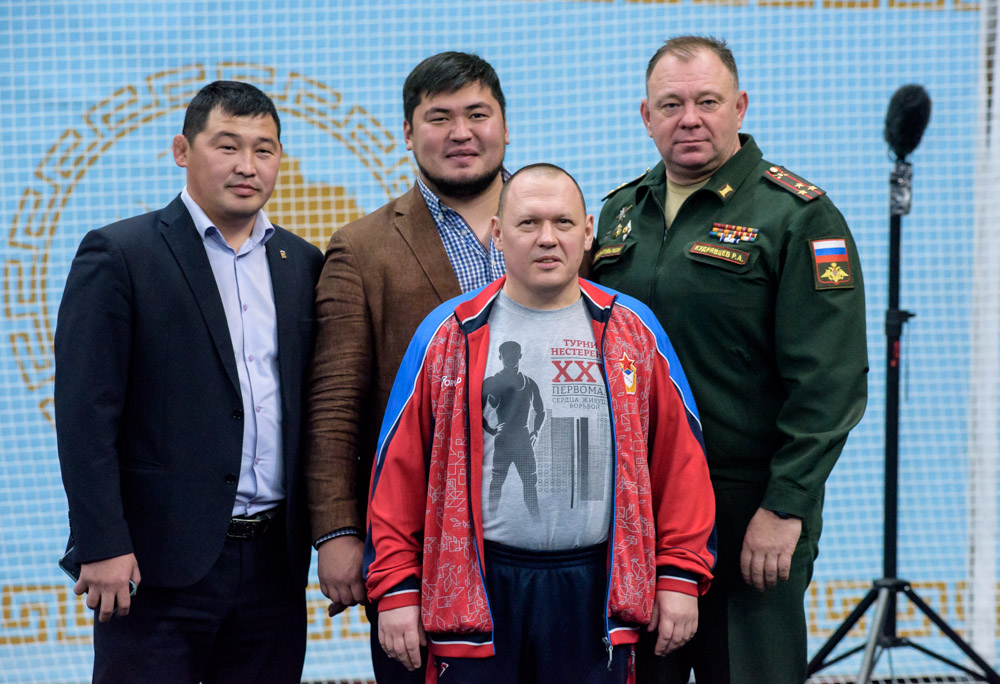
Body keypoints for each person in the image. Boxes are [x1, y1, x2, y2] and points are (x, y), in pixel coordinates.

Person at [364, 164, 717, 683]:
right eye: (528, 223)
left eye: (563, 223)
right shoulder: (447, 334)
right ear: (498, 233)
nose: (547, 238)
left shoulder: (634, 331)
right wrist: (396, 587)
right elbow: (398, 475)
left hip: (597, 587)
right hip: (477, 587)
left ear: (588, 232)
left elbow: (680, 465)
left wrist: (680, 575)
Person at [590, 35, 869, 683]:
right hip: (637, 505)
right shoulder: (618, 213)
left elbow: (829, 384)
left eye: (708, 102)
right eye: (671, 104)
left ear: (739, 107)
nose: (690, 118)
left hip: (746, 505)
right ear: (647, 116)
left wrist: (785, 507)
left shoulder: (797, 217)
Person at [54, 80, 323, 683]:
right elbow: (84, 414)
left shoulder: (303, 264)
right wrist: (101, 542)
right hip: (154, 563)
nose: (247, 165)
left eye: (264, 150)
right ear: (182, 150)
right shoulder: (120, 254)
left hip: (275, 567)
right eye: (227, 146)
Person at [304, 51, 510, 681]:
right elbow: (335, 404)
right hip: (419, 548)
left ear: (505, 125)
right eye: (439, 118)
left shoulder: (563, 228)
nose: (460, 133)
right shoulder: (362, 249)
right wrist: (338, 532)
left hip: (561, 545)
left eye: (478, 114)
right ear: (407, 132)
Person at [482, 340, 545, 520]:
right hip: (504, 440)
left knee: (530, 482)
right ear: (500, 357)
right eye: (507, 357)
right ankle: (491, 519)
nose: (510, 360)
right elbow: (474, 410)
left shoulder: (529, 383)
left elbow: (541, 411)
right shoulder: (492, 382)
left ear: (520, 356)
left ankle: (537, 522)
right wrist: (491, 429)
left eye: (513, 356)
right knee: (497, 482)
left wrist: (536, 431)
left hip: (523, 439)